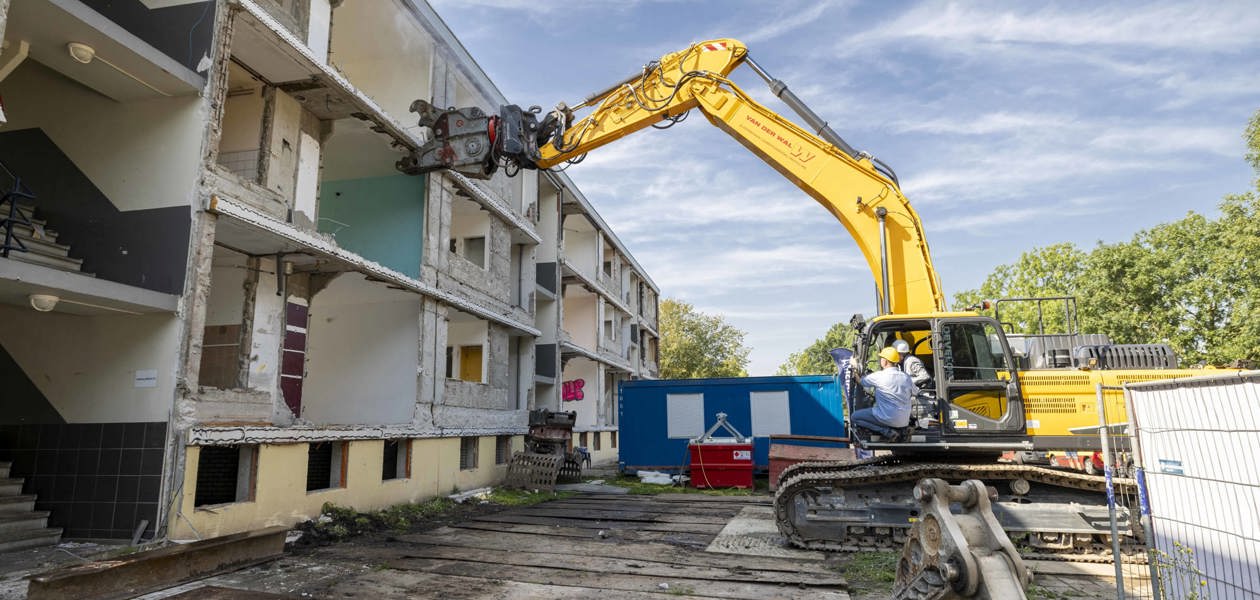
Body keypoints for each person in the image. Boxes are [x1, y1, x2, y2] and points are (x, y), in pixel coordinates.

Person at [849, 346, 915, 442]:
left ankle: (887, 432)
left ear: (885, 361)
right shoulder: (906, 377)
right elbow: (915, 391)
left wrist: (854, 368)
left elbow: (860, 381)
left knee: (855, 417)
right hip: (904, 421)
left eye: (881, 359)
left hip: (886, 419)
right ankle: (902, 430)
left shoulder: (879, 376)